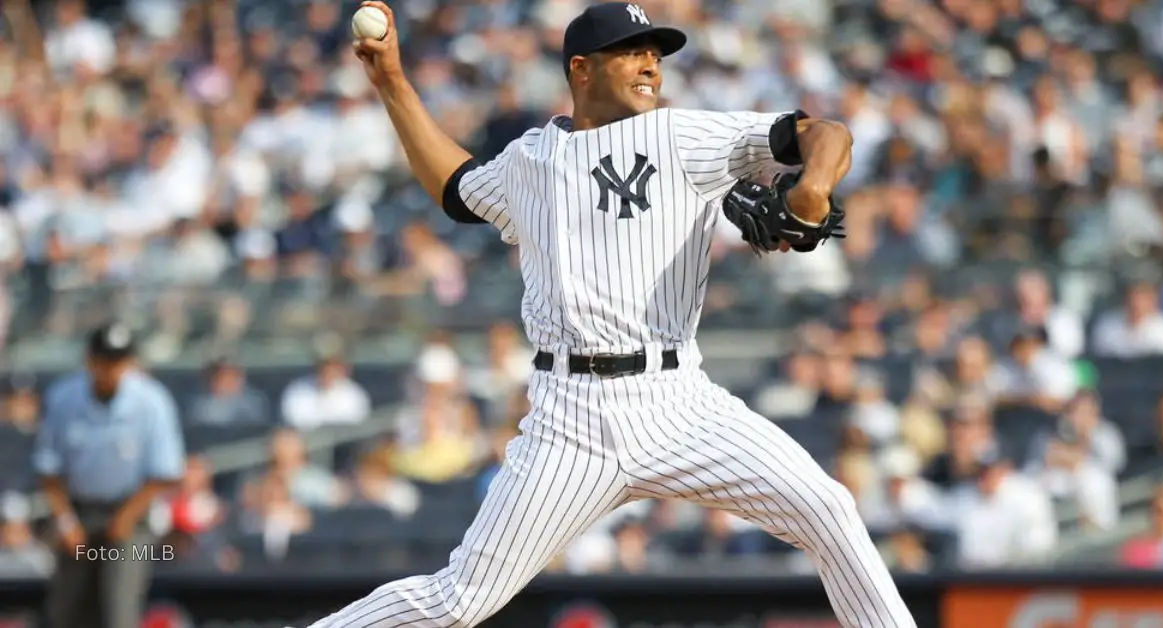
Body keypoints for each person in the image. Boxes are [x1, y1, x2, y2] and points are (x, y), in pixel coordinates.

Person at [310, 2, 914, 627]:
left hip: (677, 402)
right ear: (582, 69)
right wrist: (392, 83)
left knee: (830, 512)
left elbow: (826, 134)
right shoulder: (528, 159)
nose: (650, 63)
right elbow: (457, 190)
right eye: (632, 50)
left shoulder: (682, 134)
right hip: (565, 419)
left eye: (655, 52)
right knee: (459, 602)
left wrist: (813, 185)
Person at [32, 322, 186, 628]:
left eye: (119, 360)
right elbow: (48, 469)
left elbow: (165, 472)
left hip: (132, 516)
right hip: (78, 512)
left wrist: (126, 517)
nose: (111, 369)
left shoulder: (152, 401)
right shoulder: (65, 398)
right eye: (105, 360)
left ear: (130, 362)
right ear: (90, 360)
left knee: (119, 610)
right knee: (66, 609)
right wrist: (65, 522)